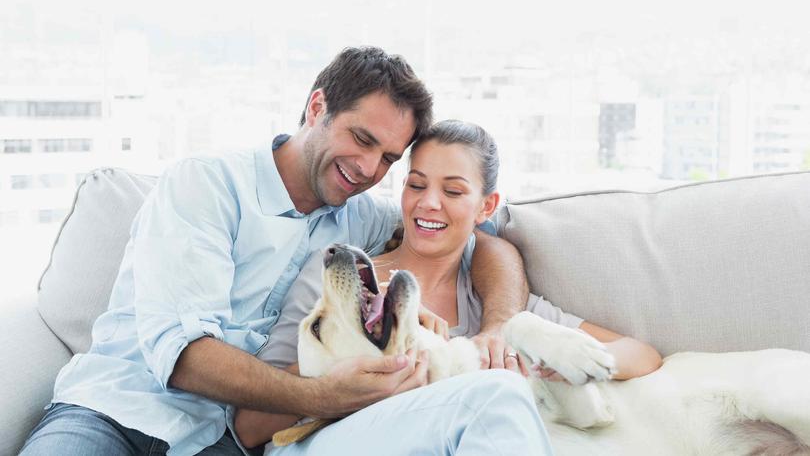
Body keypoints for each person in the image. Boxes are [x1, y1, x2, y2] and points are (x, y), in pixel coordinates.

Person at [19, 48, 537, 456]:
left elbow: (485, 240)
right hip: (115, 411)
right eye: (361, 138)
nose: (367, 167)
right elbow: (185, 358)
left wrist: (499, 325)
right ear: (317, 107)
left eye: (387, 158)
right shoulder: (207, 184)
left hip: (221, 442)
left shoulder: (362, 214)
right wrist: (325, 395)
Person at [234, 120, 663, 453]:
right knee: (497, 394)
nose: (429, 203)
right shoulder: (343, 278)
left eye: (453, 191)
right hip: (322, 443)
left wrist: (559, 362)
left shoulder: (497, 308)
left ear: (486, 206)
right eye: (416, 184)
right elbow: (250, 426)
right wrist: (334, 383)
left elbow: (642, 354)